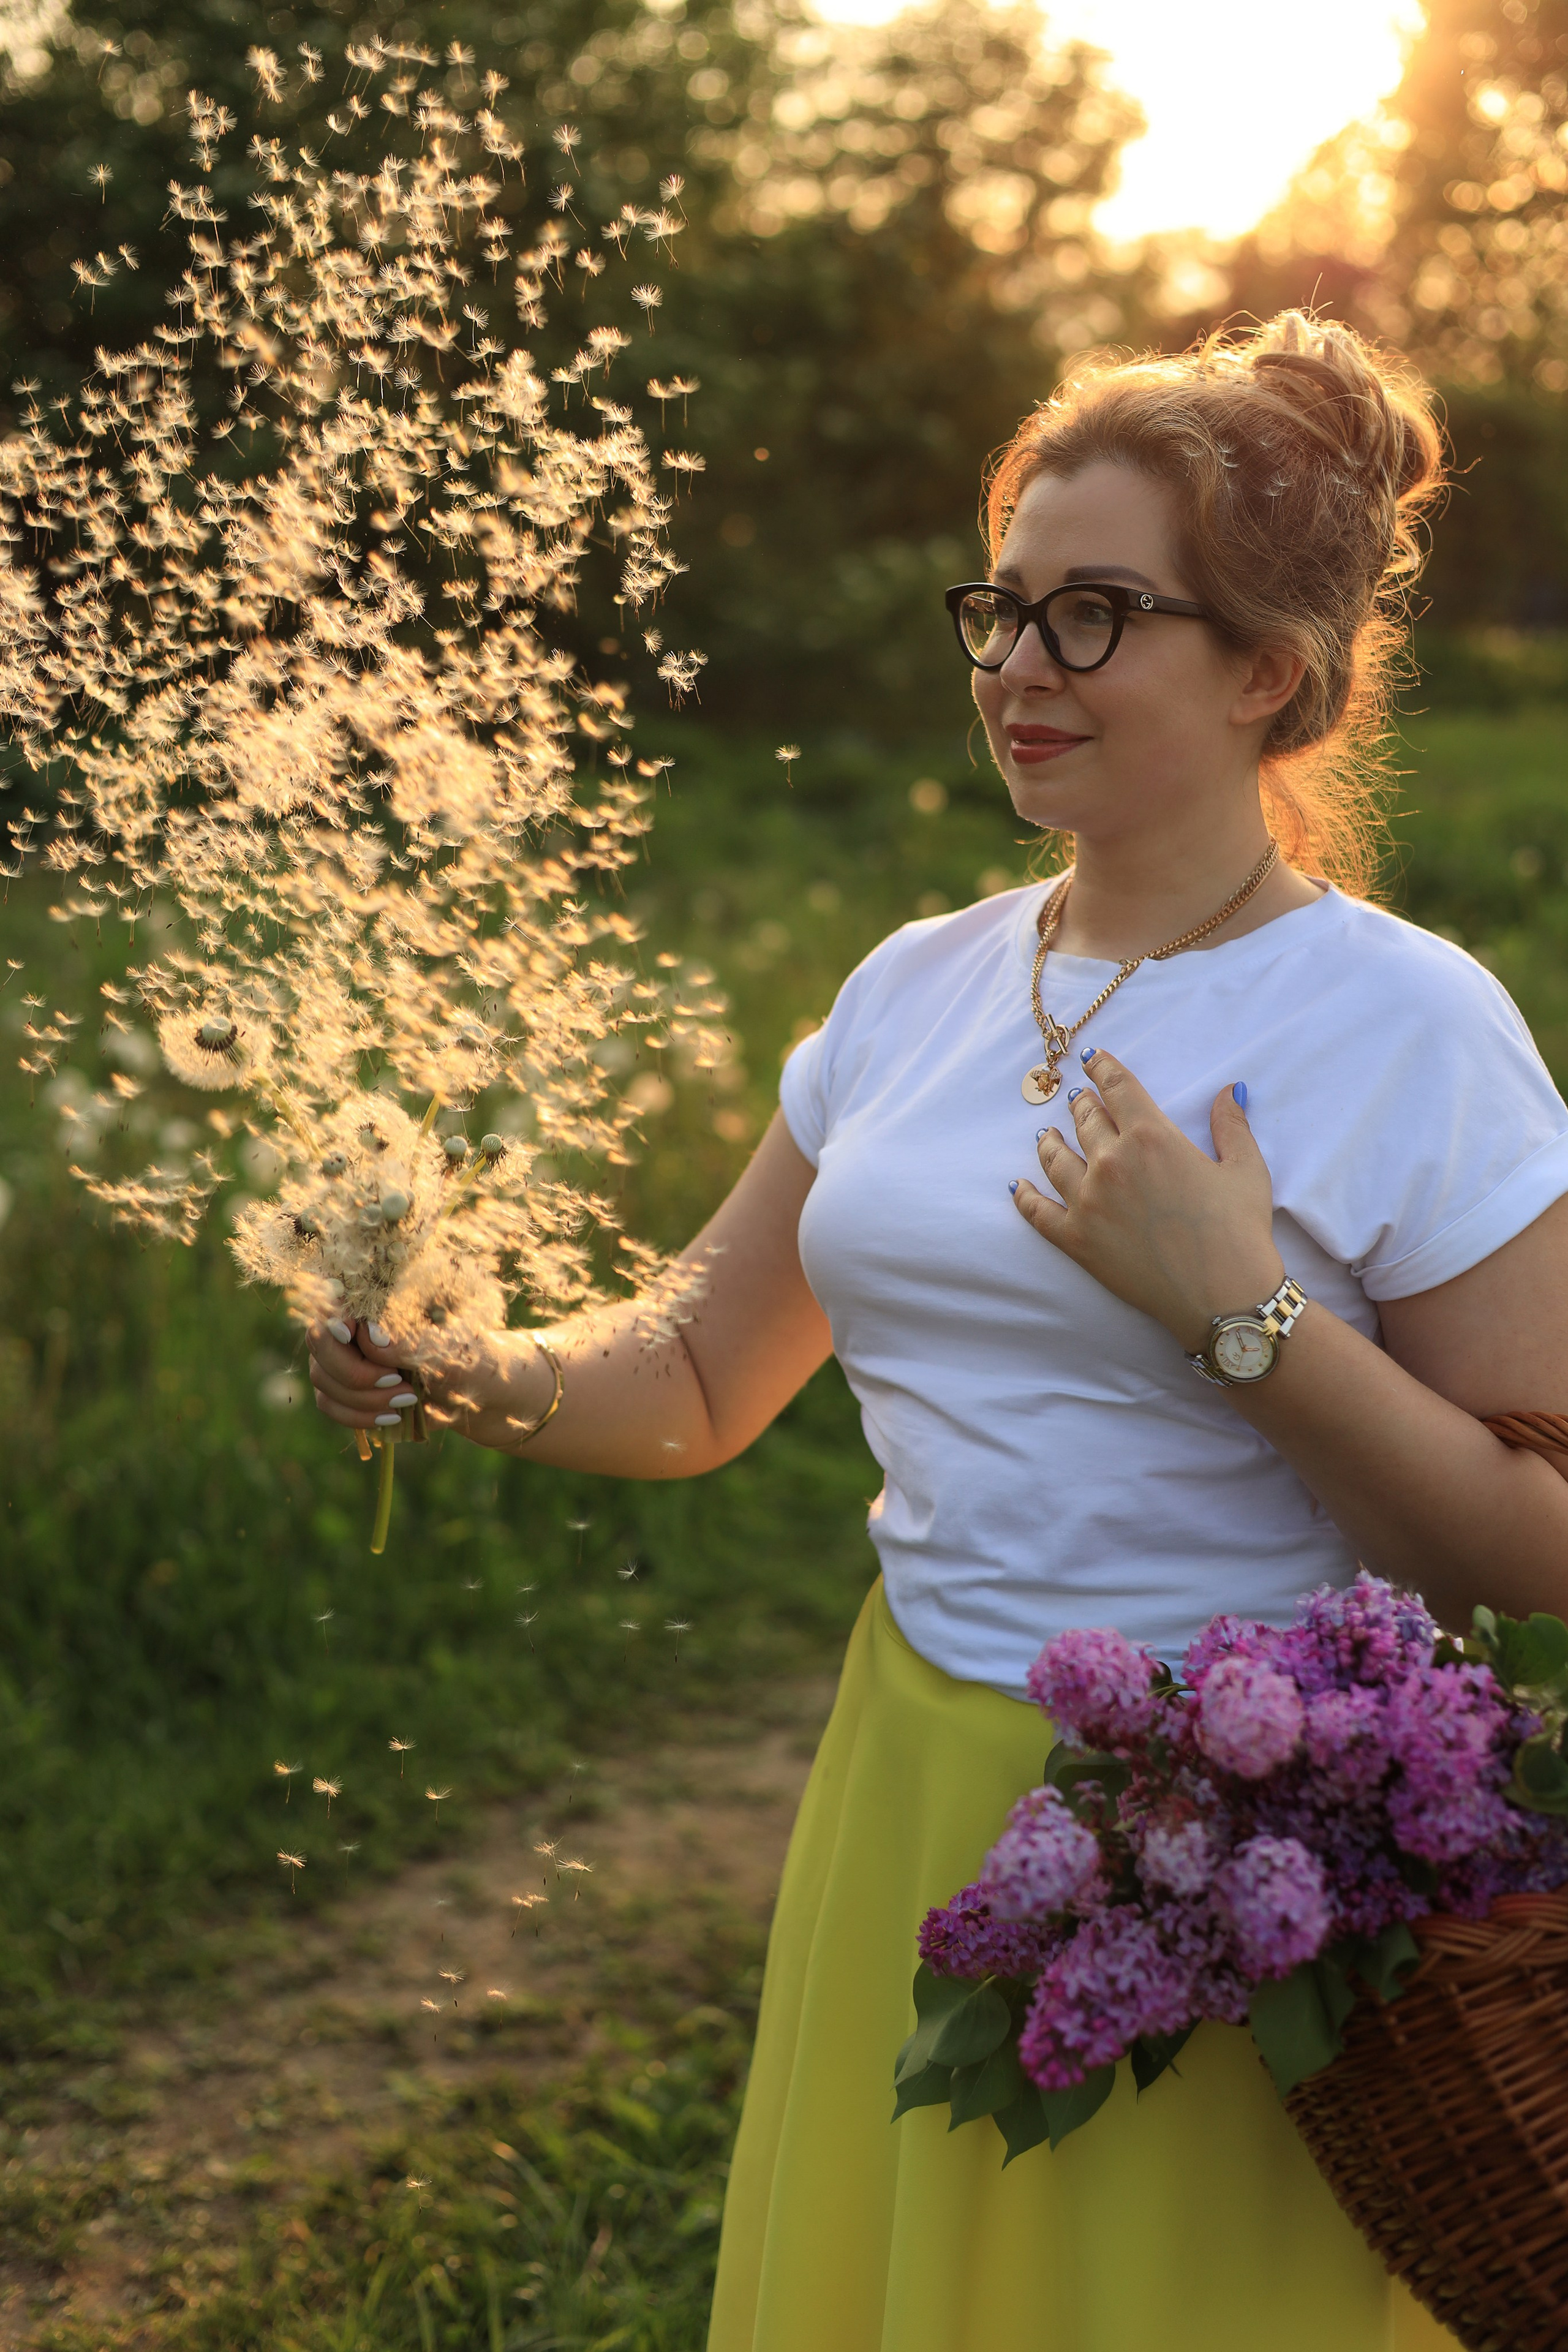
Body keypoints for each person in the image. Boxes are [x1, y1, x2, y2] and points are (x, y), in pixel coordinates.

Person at [308, 312, 1568, 2351]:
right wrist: (454, 1358)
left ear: (1268, 671)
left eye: (1095, 615)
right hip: (917, 1785)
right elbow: (698, 1376)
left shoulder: (1411, 1025)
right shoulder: (916, 985)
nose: (1015, 668)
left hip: (1238, 1867)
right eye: (1001, 607)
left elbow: (1538, 1545)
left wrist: (1236, 1311)